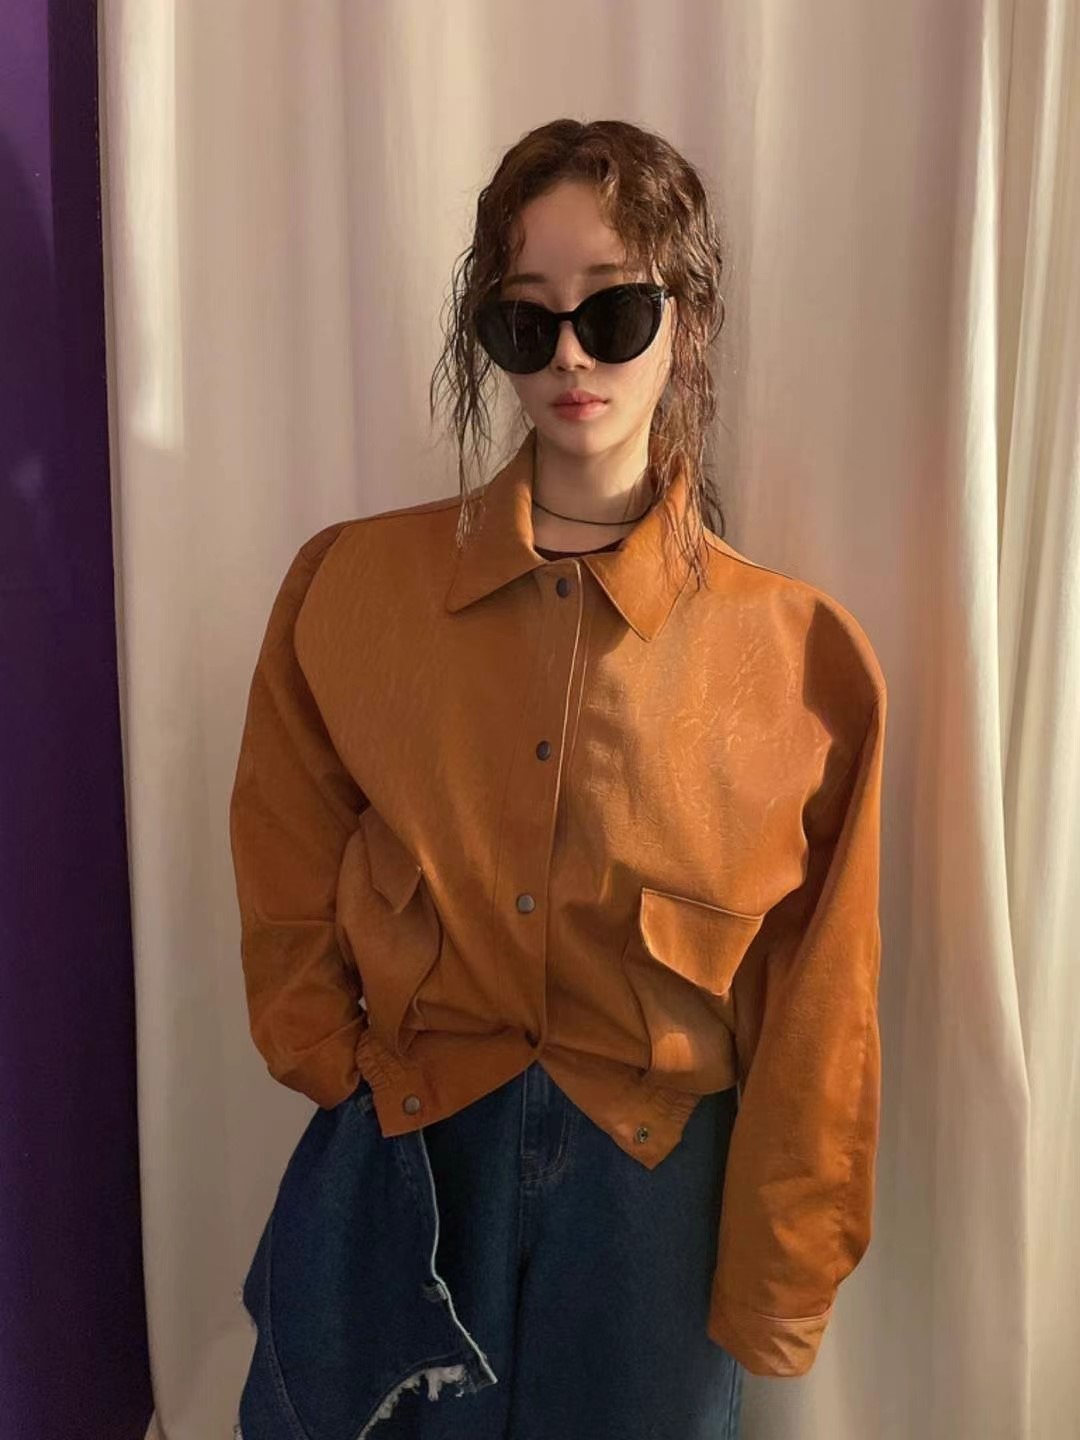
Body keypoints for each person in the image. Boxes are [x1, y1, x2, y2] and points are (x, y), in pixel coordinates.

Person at [229, 118, 887, 1440]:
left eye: (615, 311)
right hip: (412, 1151)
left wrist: (783, 1270)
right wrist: (328, 1060)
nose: (572, 357)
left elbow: (822, 1004)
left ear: (688, 320)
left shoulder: (795, 656)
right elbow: (285, 843)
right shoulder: (351, 588)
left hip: (655, 1196)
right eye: (527, 321)